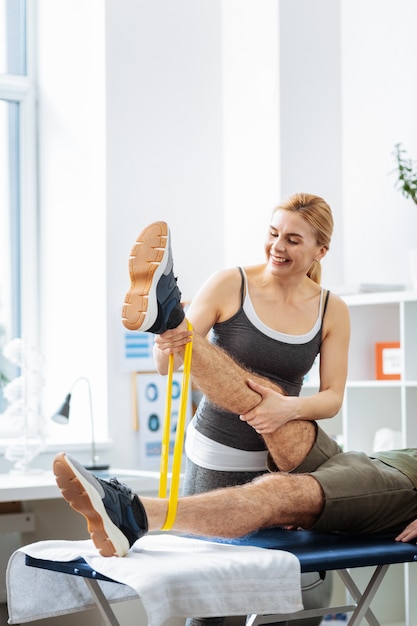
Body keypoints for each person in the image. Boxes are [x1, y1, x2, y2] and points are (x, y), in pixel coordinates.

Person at [54, 232, 417, 557]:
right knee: (209, 590)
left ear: (320, 251)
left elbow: (333, 397)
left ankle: (133, 511)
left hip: (396, 484)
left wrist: (284, 409)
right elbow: (167, 367)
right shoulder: (233, 282)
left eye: (293, 239)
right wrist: (286, 407)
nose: (278, 246)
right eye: (274, 233)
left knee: (275, 527)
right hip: (351, 458)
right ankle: (171, 320)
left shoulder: (330, 307)